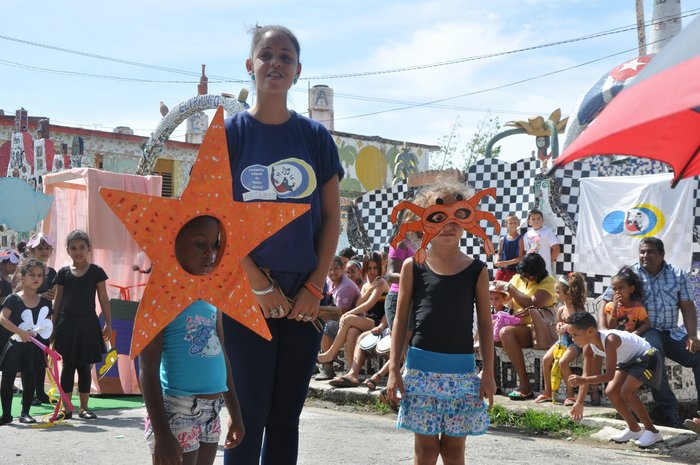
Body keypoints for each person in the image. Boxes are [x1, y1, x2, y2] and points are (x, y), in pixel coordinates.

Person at [222, 24, 343, 465]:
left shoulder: (315, 138)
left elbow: (331, 216)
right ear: (250, 64)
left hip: (305, 301)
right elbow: (215, 220)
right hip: (243, 297)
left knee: (286, 418)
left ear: (298, 71)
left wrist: (313, 288)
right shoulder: (229, 135)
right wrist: (257, 284)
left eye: (286, 57)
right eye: (267, 54)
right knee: (247, 416)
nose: (276, 63)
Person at [386, 183, 495, 465]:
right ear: (422, 221)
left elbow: (485, 323)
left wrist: (488, 374)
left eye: (457, 215)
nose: (448, 224)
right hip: (421, 370)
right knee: (425, 450)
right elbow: (400, 318)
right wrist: (394, 369)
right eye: (437, 216)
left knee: (453, 451)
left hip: (462, 372)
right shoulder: (413, 266)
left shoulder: (477, 270)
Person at [140, 216, 244, 465]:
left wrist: (236, 413)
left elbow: (221, 353)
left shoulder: (212, 295)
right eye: (200, 244)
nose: (210, 252)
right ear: (172, 244)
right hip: (176, 409)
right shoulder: (160, 298)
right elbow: (148, 371)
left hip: (212, 411)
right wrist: (163, 434)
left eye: (215, 245)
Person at [599, 237, 700, 428]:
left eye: (650, 251)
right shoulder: (630, 274)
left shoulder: (678, 274)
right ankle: (669, 413)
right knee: (654, 352)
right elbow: (606, 300)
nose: (645, 255)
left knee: (698, 355)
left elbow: (687, 306)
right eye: (642, 251)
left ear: (662, 254)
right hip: (644, 331)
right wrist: (603, 329)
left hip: (672, 332)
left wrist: (693, 335)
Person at [567, 312, 664, 447]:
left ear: (590, 331)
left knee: (627, 392)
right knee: (611, 391)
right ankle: (634, 429)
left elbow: (609, 375)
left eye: (575, 335)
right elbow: (586, 374)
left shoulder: (610, 340)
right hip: (629, 360)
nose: (572, 339)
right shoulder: (588, 347)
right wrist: (579, 403)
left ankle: (653, 432)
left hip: (647, 356)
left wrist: (584, 380)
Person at [52, 230, 112, 420]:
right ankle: (67, 408)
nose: (78, 251)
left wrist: (108, 324)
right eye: (73, 248)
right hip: (66, 325)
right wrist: (52, 327)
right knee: (68, 367)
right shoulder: (63, 273)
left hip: (88, 325)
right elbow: (58, 300)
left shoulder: (96, 272)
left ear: (89, 249)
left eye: (82, 247)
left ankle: (84, 407)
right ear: (67, 250)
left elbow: (103, 298)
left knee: (85, 366)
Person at [493, 253, 557, 400]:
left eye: (529, 276)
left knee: (506, 333)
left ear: (538, 273)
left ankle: (525, 385)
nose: (525, 278)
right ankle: (491, 381)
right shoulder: (518, 278)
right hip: (517, 324)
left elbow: (532, 303)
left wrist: (509, 287)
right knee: (488, 332)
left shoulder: (549, 282)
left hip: (537, 330)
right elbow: (507, 300)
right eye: (523, 275)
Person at [319, 253, 389, 377]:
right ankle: (352, 373)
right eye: (369, 268)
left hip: (379, 321)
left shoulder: (381, 282)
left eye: (375, 268)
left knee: (348, 319)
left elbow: (368, 304)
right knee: (351, 331)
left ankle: (330, 354)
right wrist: (369, 288)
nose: (372, 271)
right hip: (367, 320)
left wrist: (349, 313)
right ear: (365, 269)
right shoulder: (368, 285)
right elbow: (359, 303)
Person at [0, 259, 52, 425]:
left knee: (30, 379)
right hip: (15, 346)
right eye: (32, 275)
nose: (36, 278)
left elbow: (47, 325)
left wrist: (46, 343)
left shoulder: (44, 301)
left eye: (40, 275)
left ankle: (25, 413)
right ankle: (6, 414)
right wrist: (20, 332)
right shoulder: (13, 298)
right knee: (7, 380)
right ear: (22, 276)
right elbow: (2, 318)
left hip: (33, 348)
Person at [534, 272, 592, 405]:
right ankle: (547, 392)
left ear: (569, 293)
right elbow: (558, 324)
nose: (556, 294)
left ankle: (570, 395)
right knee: (546, 359)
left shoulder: (578, 310)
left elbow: (579, 330)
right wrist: (560, 325)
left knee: (563, 362)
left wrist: (566, 327)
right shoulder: (561, 310)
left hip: (575, 342)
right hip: (563, 341)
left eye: (558, 292)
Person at [24, 233, 57, 406]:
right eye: (40, 248)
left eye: (46, 248)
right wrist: (39, 294)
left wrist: (54, 295)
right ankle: (29, 393)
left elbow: (57, 295)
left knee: (42, 356)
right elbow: (20, 294)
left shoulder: (52, 273)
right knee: (29, 357)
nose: (44, 251)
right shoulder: (27, 271)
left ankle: (40, 392)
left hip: (45, 320)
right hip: (28, 320)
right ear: (31, 251)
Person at [317, 256, 361, 380]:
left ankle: (328, 368)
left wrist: (319, 312)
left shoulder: (345, 286)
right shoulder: (329, 281)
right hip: (339, 317)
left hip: (352, 319)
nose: (332, 272)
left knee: (327, 329)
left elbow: (341, 313)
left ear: (342, 269)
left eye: (335, 269)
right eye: (329, 269)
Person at [602, 266, 650, 335]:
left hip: (629, 341)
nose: (617, 292)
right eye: (614, 289)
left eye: (621, 288)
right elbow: (611, 328)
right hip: (614, 340)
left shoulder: (638, 308)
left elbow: (646, 324)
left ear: (631, 289)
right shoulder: (610, 306)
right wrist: (615, 308)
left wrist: (636, 333)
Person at [522, 209, 560, 276]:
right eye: (533, 219)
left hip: (544, 269)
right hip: (531, 269)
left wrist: (548, 261)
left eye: (538, 218)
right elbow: (526, 252)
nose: (536, 221)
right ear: (529, 222)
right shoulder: (526, 235)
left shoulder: (548, 232)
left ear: (542, 220)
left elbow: (556, 249)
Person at [493, 213, 524, 282]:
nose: (513, 225)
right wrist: (496, 261)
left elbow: (520, 258)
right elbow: (499, 253)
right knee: (496, 289)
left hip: (515, 271)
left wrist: (505, 263)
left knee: (511, 291)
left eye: (515, 223)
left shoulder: (521, 239)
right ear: (506, 225)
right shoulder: (502, 239)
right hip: (502, 270)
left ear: (518, 224)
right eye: (510, 223)